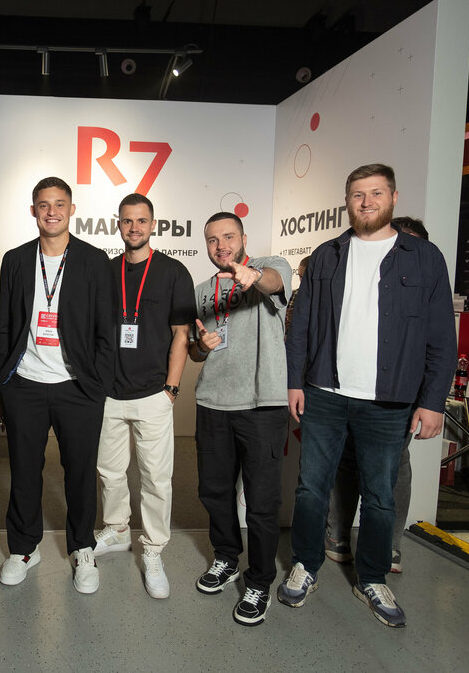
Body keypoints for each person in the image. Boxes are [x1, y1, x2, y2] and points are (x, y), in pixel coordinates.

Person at [279, 164, 456, 628]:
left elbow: (441, 336)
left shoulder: (425, 258)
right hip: (324, 392)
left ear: (393, 198)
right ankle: (306, 564)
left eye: (376, 193)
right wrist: (295, 382)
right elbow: (301, 327)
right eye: (358, 194)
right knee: (311, 489)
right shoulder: (327, 255)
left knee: (380, 496)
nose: (367, 202)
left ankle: (373, 577)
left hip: (389, 400)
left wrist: (433, 401)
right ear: (347, 201)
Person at [0, 176, 113, 594]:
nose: (52, 212)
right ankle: (24, 548)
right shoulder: (14, 259)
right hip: (24, 384)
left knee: (79, 473)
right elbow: (6, 325)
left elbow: (106, 327)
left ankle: (82, 547)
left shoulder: (94, 260)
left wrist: (96, 385)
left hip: (77, 387)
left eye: (59, 204)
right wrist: (2, 384)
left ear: (71, 209)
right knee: (24, 471)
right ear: (33, 211)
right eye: (43, 205)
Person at [188, 211, 292, 626]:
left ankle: (259, 581)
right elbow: (195, 351)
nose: (221, 246)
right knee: (214, 492)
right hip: (213, 402)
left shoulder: (271, 267)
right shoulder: (202, 291)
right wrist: (201, 345)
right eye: (213, 240)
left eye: (228, 237)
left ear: (244, 237)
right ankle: (227, 558)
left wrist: (254, 276)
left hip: (261, 405)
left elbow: (274, 282)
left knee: (262, 502)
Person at [92, 193, 194, 599]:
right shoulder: (106, 271)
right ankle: (117, 529)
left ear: (153, 224)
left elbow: (181, 335)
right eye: (127, 221)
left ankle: (152, 550)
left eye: (141, 221)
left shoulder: (173, 272)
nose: (133, 228)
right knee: (109, 472)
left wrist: (171, 389)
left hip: (154, 393)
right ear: (118, 224)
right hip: (109, 394)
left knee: (155, 479)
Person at [324, 216, 429, 574]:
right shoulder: (359, 278)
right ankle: (337, 535)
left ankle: (389, 546)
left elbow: (438, 344)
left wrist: (429, 402)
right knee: (346, 460)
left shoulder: (426, 284)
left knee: (393, 467)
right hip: (348, 388)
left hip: (399, 395)